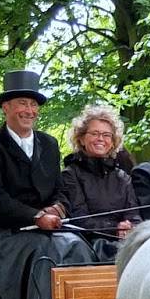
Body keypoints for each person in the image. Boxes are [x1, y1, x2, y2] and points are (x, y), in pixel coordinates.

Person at [0, 69, 96, 299]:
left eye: (34, 104)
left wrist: (56, 209)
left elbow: (60, 192)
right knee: (43, 255)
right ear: (6, 108)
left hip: (44, 228)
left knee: (79, 247)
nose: (30, 110)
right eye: (23, 104)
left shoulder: (48, 144)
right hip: (1, 232)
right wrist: (36, 216)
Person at [61, 104, 141, 258]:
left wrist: (130, 227)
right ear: (82, 138)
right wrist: (115, 228)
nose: (100, 139)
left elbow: (134, 216)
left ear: (113, 142)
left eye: (106, 135)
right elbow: (79, 219)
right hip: (86, 247)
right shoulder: (70, 175)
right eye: (95, 133)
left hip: (124, 245)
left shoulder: (123, 178)